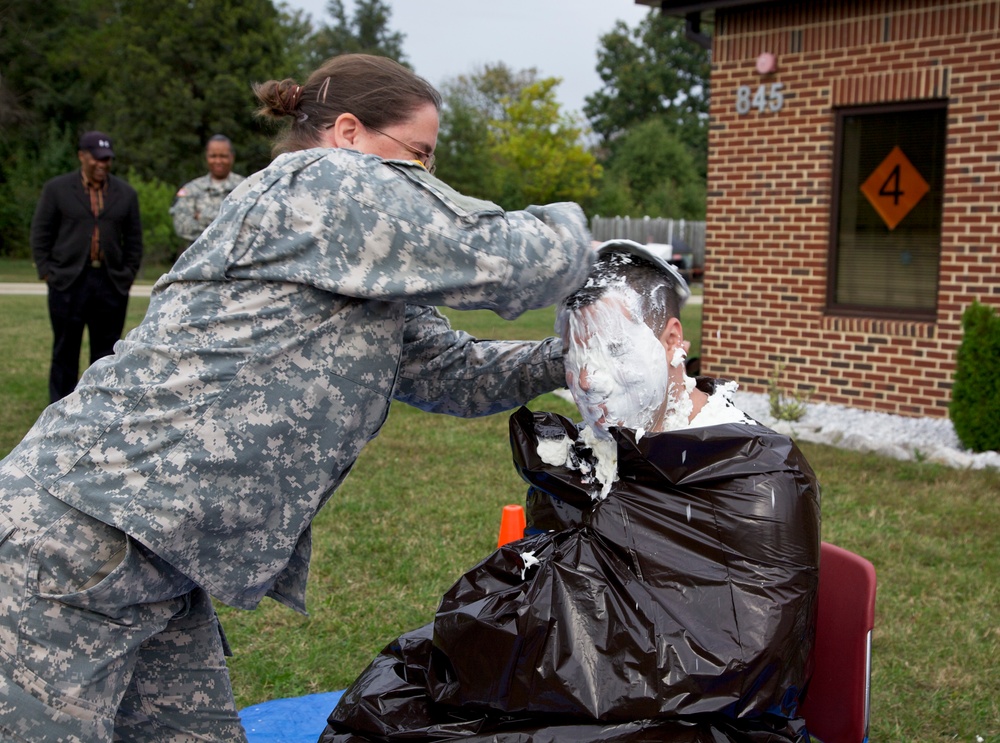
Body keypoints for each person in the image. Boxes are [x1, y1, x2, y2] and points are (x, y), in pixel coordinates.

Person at [0, 53, 594, 742]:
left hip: (157, 563)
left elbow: (453, 372)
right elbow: (521, 259)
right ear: (346, 131)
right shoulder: (321, 184)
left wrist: (573, 356)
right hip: (72, 546)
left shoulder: (357, 257)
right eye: (419, 155)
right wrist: (609, 259)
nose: (429, 179)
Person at [322, 240, 821, 742]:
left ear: (673, 341)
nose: (589, 378)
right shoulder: (600, 451)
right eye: (576, 353)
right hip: (585, 686)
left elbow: (745, 663)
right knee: (391, 699)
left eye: (614, 350)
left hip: (695, 718)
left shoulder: (756, 477)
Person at [30, 130, 144, 403]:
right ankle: (59, 406)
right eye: (97, 158)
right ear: (82, 156)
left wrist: (126, 276)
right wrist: (47, 271)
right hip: (68, 282)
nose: (102, 164)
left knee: (105, 353)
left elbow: (134, 240)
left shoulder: (125, 194)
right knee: (64, 350)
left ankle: (97, 406)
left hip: (110, 283)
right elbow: (40, 233)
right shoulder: (57, 189)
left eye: (107, 159)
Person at [169, 134, 245, 248]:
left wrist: (203, 216)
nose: (218, 161)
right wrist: (229, 222)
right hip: (199, 259)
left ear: (232, 157)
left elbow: (251, 226)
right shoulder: (191, 189)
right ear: (206, 157)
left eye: (223, 156)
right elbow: (182, 227)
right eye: (213, 156)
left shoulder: (246, 187)